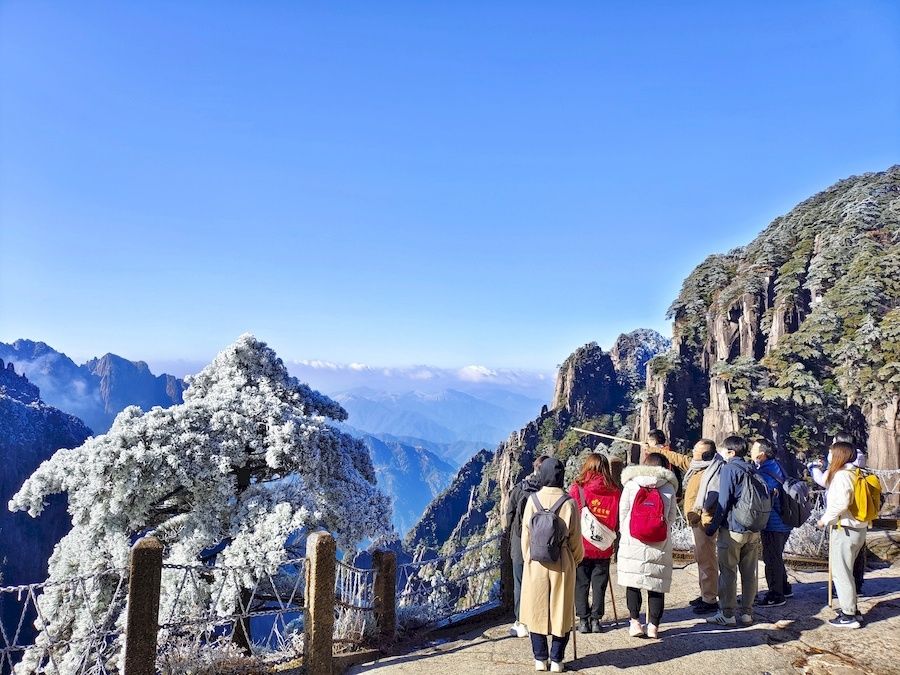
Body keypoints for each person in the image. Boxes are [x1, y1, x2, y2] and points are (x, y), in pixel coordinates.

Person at [520, 457, 584, 672]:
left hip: (536, 562)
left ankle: (540, 658)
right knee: (561, 611)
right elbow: (575, 539)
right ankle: (556, 659)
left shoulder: (533, 500)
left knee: (535, 609)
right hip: (562, 561)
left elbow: (525, 536)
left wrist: (529, 558)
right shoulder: (569, 502)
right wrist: (573, 560)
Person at [650, 438, 720, 614]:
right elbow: (679, 459)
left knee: (707, 560)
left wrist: (702, 517)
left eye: (696, 450)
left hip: (704, 522)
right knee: (702, 558)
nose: (693, 452)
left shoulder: (711, 472)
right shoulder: (699, 466)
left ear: (705, 454)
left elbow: (712, 499)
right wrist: (656, 450)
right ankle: (705, 593)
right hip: (697, 521)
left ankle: (710, 599)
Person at [617, 452, 679, 639]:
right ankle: (653, 626)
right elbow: (671, 518)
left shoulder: (631, 484)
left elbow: (623, 512)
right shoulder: (668, 487)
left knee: (633, 583)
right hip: (659, 541)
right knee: (656, 584)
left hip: (632, 539)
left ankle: (635, 622)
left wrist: (625, 532)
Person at [705, 435, 761, 627]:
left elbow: (724, 501)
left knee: (728, 571)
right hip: (753, 528)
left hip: (732, 529)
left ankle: (727, 613)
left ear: (731, 452)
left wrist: (713, 526)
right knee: (749, 572)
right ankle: (747, 613)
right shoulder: (752, 468)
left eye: (724, 450)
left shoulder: (729, 468)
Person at [816, 441, 867, 628]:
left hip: (845, 528)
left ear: (838, 455)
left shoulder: (842, 476)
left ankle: (848, 615)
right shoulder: (857, 472)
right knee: (848, 570)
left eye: (831, 452)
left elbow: (840, 504)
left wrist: (824, 520)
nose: (829, 454)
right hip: (858, 528)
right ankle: (852, 608)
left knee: (841, 572)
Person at [569, 453, 621, 633]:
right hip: (604, 545)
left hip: (582, 545)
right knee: (600, 584)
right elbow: (617, 518)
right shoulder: (614, 490)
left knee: (581, 583)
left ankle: (583, 620)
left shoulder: (578, 488)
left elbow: (571, 516)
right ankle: (596, 620)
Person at [504, 454, 550, 637]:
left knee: (520, 583)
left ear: (534, 468)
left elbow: (508, 517)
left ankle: (521, 622)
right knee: (540, 582)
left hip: (519, 543)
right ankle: (539, 620)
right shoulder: (548, 492)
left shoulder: (518, 489)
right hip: (543, 544)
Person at [751, 439, 793, 607]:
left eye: (754, 448)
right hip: (783, 521)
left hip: (774, 523)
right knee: (776, 555)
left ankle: (776, 595)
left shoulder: (767, 470)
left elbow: (763, 492)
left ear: (761, 454)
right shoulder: (776, 465)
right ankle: (785, 587)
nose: (751, 450)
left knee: (771, 558)